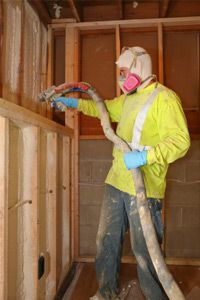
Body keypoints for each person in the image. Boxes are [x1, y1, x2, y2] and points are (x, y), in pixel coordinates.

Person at [53, 47, 190, 300]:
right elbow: (102, 109)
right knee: (106, 241)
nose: (120, 78)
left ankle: (154, 297)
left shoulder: (164, 98)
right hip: (116, 181)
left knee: (145, 251)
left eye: (123, 72)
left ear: (139, 69)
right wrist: (73, 103)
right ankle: (106, 293)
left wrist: (144, 157)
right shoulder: (129, 99)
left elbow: (181, 141)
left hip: (145, 187)